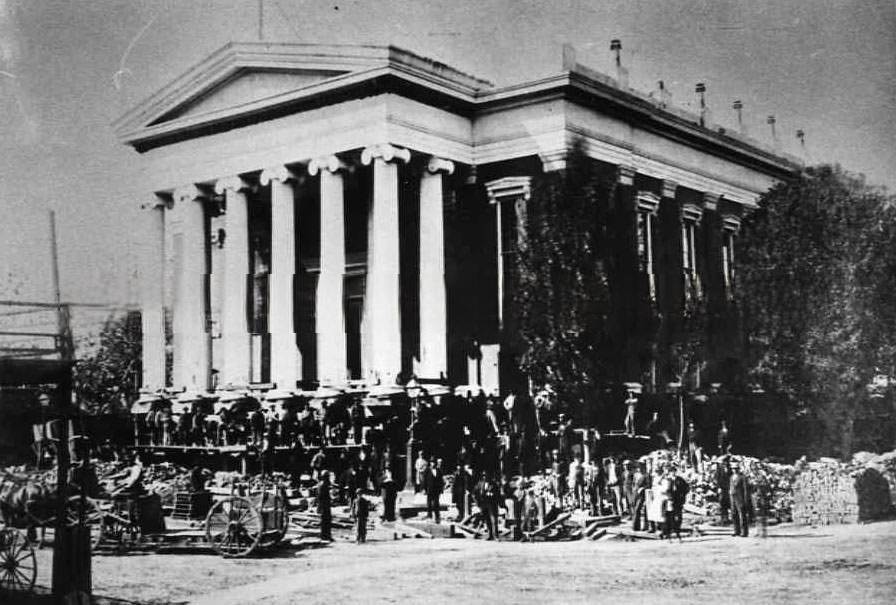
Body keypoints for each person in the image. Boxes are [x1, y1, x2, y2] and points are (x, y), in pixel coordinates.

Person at [729, 462, 750, 537]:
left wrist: (745, 499)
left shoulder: (742, 477)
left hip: (740, 498)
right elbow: (731, 487)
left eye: (736, 469)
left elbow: (745, 489)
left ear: (738, 469)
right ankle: (736, 530)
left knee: (742, 515)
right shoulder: (731, 477)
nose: (734, 470)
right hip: (733, 498)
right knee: (734, 514)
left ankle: (744, 532)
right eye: (733, 469)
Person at [423, 457, 445, 523]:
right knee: (429, 503)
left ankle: (437, 516)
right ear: (430, 463)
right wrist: (424, 489)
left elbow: (441, 481)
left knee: (436, 503)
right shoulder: (427, 470)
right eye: (431, 462)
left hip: (436, 490)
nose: (433, 464)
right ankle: (429, 515)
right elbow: (424, 481)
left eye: (434, 463)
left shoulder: (438, 470)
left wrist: (441, 489)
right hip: (429, 489)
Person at [631, 462, 648, 531]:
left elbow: (648, 485)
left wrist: (643, 488)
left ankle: (645, 526)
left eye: (641, 467)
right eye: (638, 467)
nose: (639, 469)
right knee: (634, 509)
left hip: (642, 494)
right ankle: (636, 526)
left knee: (638, 509)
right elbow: (633, 483)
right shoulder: (636, 475)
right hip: (635, 493)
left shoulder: (646, 475)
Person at [316, 470, 333, 541]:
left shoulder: (322, 484)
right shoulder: (323, 485)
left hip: (324, 505)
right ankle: (325, 536)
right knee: (325, 521)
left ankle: (325, 535)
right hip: (324, 505)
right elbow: (321, 496)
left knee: (325, 521)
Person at [716, 456, 732, 524]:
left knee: (730, 503)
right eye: (723, 462)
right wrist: (719, 487)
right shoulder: (719, 469)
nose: (724, 463)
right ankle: (724, 518)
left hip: (729, 488)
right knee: (723, 503)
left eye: (725, 462)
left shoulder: (730, 469)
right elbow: (718, 478)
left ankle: (730, 518)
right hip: (722, 488)